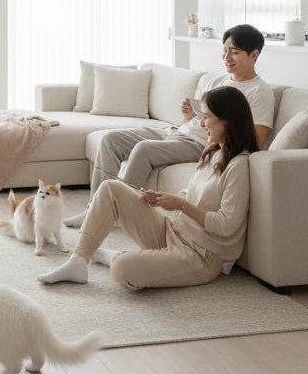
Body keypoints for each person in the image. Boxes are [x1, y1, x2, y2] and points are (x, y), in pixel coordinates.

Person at [38, 85, 258, 288]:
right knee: (110, 188)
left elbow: (226, 226)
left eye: (207, 117)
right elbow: (194, 194)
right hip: (173, 231)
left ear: (228, 120)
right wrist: (164, 199)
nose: (201, 124)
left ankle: (110, 256)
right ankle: (78, 261)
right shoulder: (213, 151)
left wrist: (180, 205)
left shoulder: (238, 166)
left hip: (200, 255)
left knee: (123, 268)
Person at [63, 23, 274, 228]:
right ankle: (94, 208)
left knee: (144, 149)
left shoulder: (260, 92)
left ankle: (112, 212)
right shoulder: (216, 82)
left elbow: (254, 141)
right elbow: (203, 120)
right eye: (225, 50)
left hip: (200, 144)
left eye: (234, 52)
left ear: (254, 55)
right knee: (111, 139)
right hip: (177, 132)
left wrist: (214, 140)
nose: (226, 57)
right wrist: (190, 116)